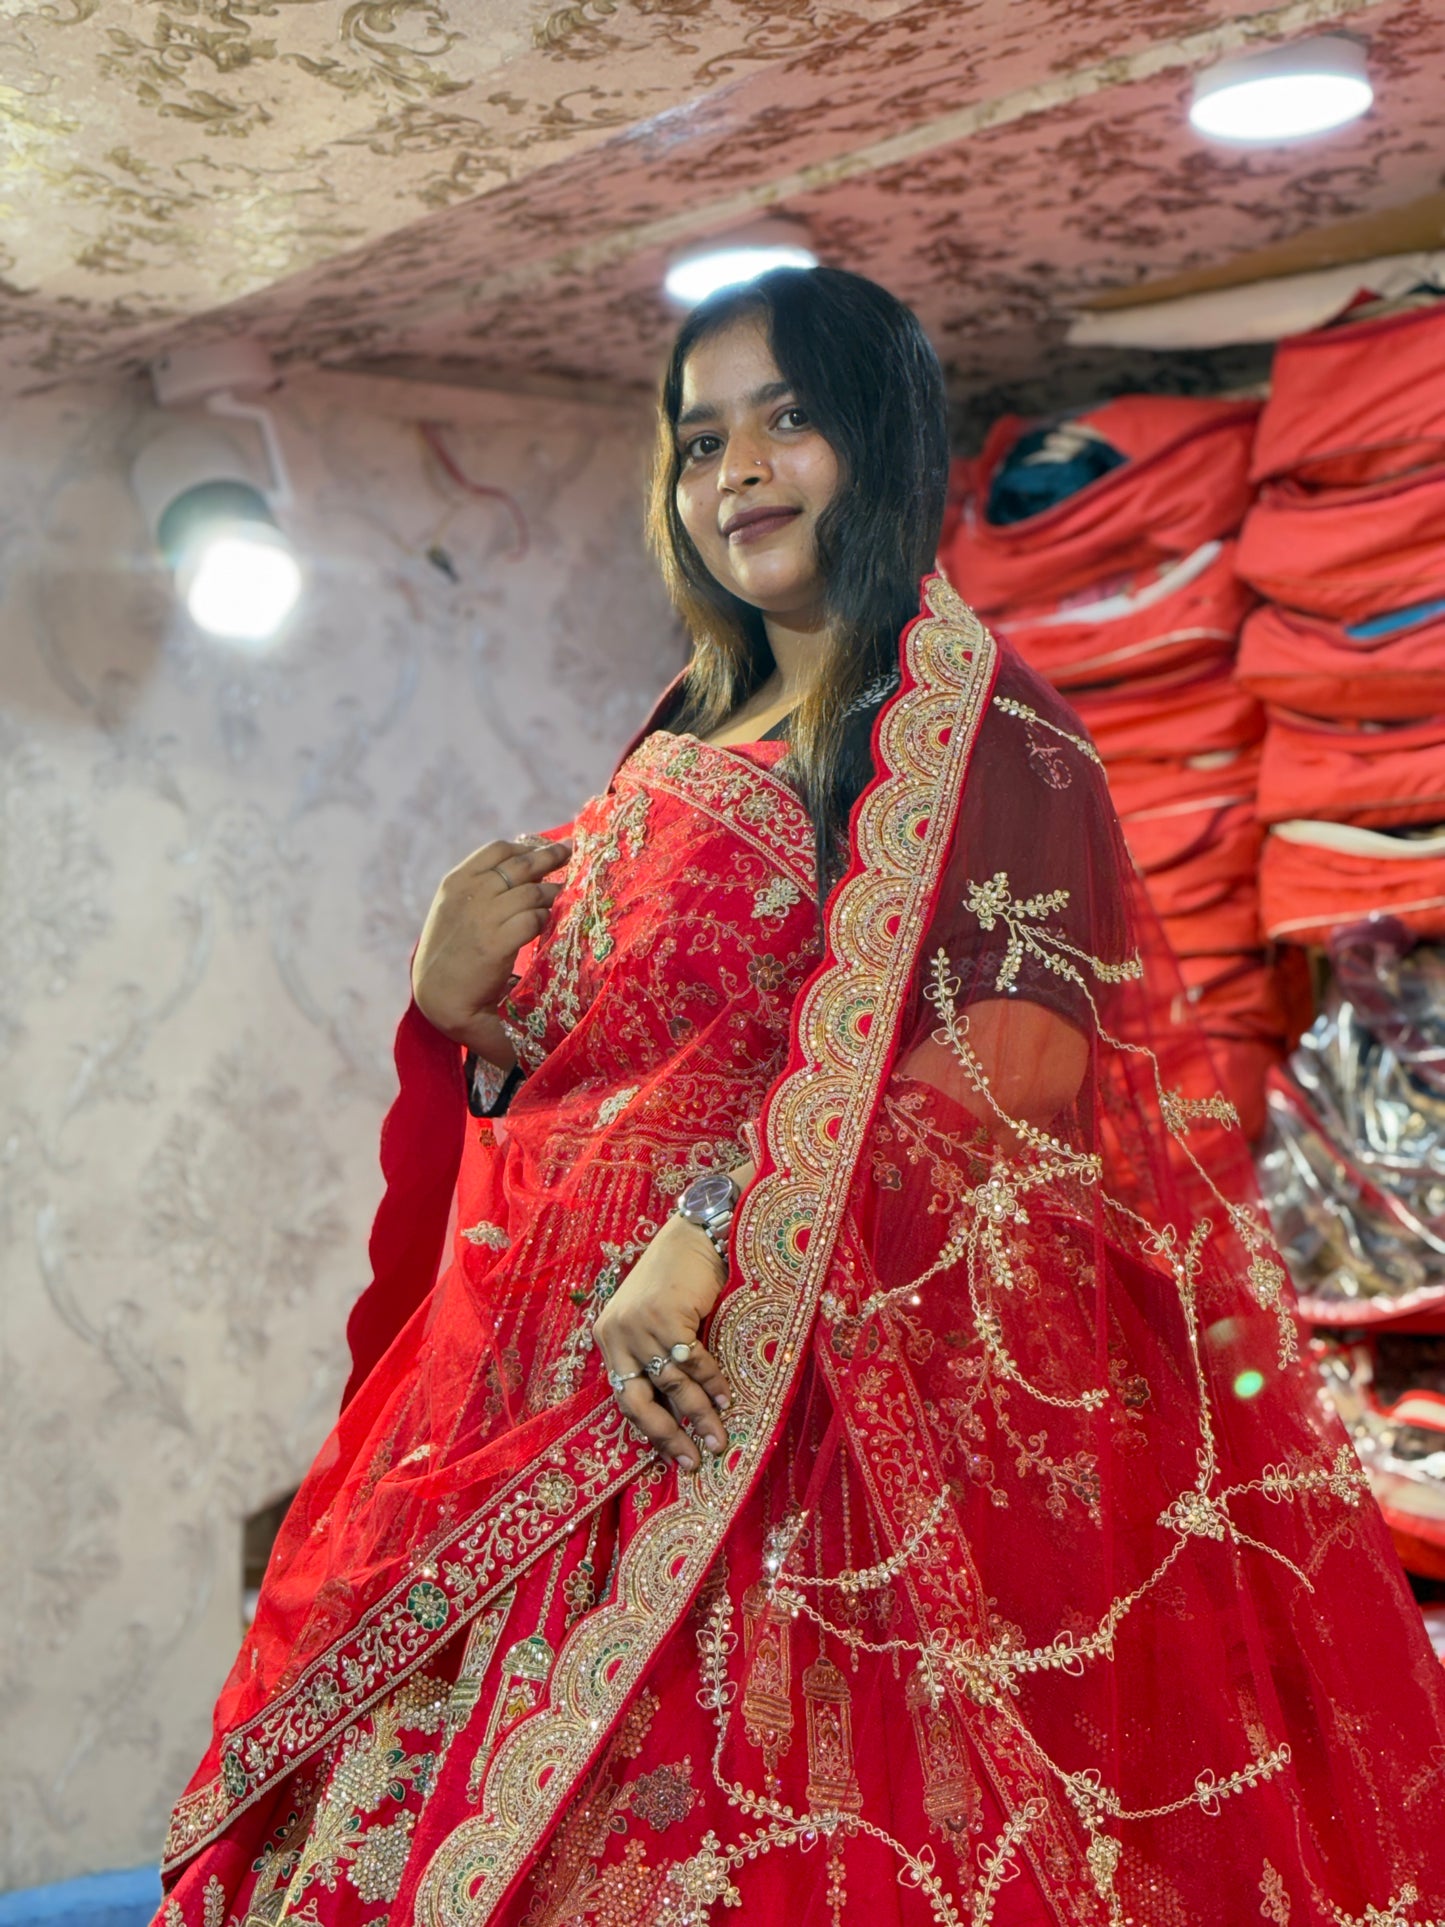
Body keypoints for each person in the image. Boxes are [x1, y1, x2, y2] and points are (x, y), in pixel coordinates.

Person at [154, 269, 1445, 1927]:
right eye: (700, 440)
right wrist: (458, 1004)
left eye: (789, 417)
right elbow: (622, 1052)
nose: (738, 469)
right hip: (546, 1395)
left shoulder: (1000, 743)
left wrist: (714, 1235)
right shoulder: (673, 734)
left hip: (799, 1418)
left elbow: (1008, 1075)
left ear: (884, 436)